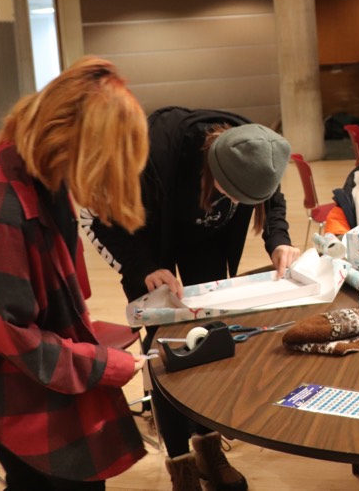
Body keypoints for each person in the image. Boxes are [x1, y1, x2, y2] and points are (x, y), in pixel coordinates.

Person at [0, 57, 148, 489]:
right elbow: (8, 334)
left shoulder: (30, 158)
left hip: (13, 360)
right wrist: (103, 365)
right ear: (71, 140)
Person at [83, 106, 297, 490]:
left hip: (204, 238)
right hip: (146, 237)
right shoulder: (147, 157)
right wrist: (144, 267)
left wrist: (278, 239)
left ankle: (208, 447)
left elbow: (272, 198)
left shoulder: (259, 150)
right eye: (229, 196)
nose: (233, 205)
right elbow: (100, 221)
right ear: (214, 171)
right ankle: (179, 461)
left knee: (207, 338)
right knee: (165, 347)